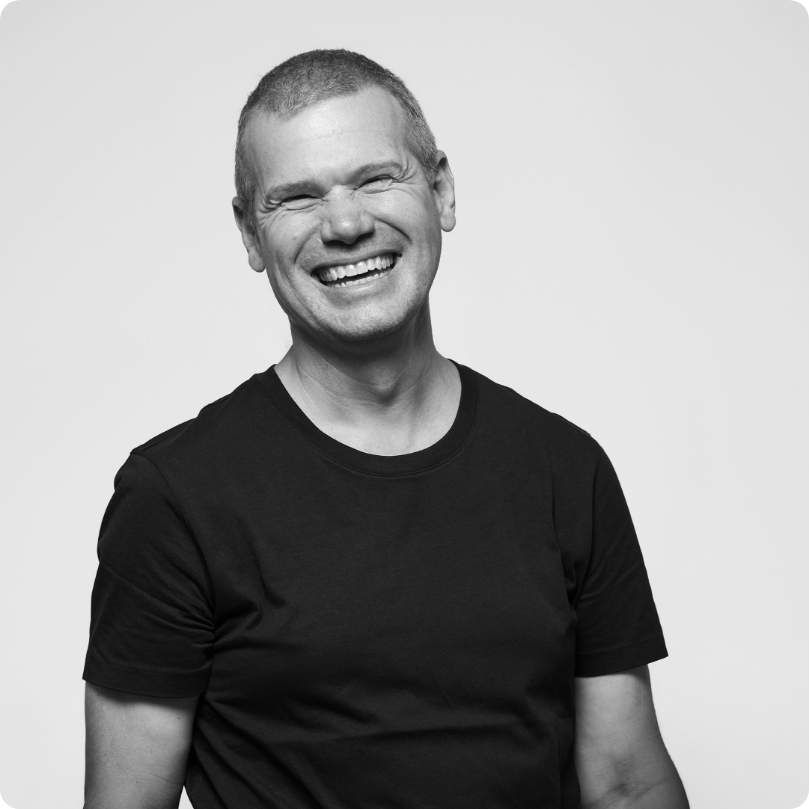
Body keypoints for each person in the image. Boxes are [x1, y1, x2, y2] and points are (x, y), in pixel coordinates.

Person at [83, 49, 689, 809]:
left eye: (375, 178)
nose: (344, 223)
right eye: (296, 197)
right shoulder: (174, 498)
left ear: (440, 190)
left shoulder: (564, 468)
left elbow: (628, 785)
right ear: (248, 233)